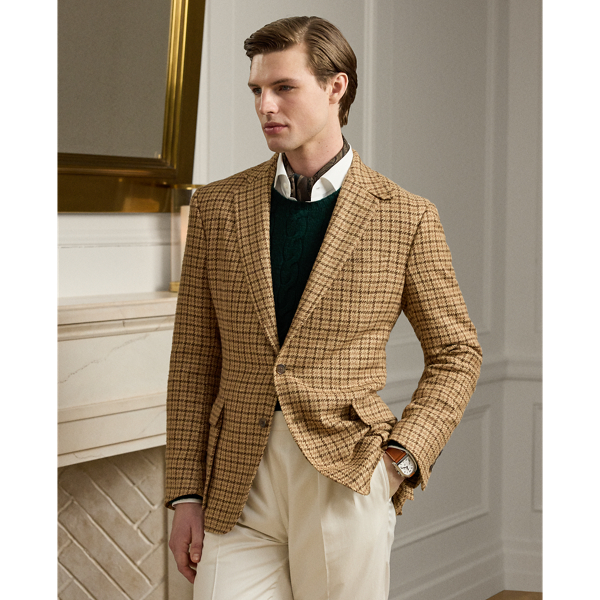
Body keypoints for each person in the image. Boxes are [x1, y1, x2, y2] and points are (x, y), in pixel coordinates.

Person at [165, 15, 482, 600]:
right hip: (235, 480)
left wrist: (400, 462)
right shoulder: (216, 206)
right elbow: (193, 360)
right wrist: (185, 493)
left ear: (336, 87)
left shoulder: (406, 216)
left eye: (283, 87)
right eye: (257, 90)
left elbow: (456, 352)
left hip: (346, 475)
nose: (265, 105)